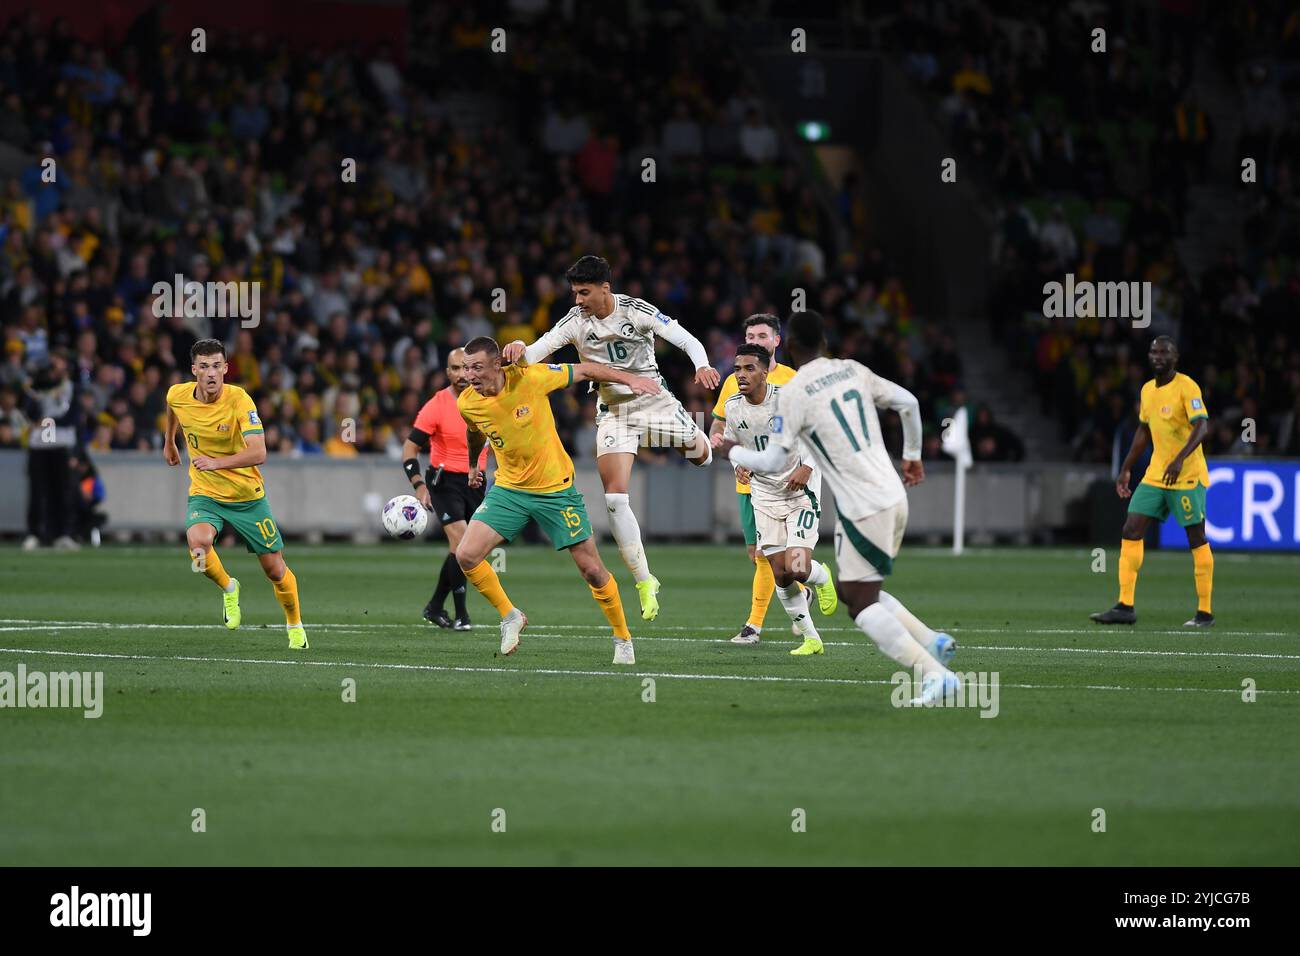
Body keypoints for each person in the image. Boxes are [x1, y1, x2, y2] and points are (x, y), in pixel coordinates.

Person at [719, 311, 958, 705]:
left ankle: (934, 675)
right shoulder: (853, 370)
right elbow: (909, 402)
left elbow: (776, 460)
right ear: (825, 342)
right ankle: (933, 641)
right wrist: (912, 456)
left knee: (859, 604)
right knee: (856, 590)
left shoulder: (794, 393)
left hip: (863, 504)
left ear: (788, 346)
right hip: (893, 492)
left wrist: (734, 451)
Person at [501, 255, 721, 622]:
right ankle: (645, 580)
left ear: (606, 288)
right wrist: (518, 349)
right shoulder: (575, 322)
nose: (577, 300)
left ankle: (698, 436)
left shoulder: (636, 311)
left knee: (704, 457)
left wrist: (702, 364)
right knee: (616, 498)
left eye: (583, 292)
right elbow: (536, 352)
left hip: (655, 402)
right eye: (574, 293)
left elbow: (686, 339)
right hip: (613, 412)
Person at [453, 336, 660, 664]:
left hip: (556, 491)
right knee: (465, 555)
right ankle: (510, 616)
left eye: (477, 367)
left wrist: (631, 379)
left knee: (591, 570)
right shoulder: (467, 402)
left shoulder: (530, 378)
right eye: (466, 368)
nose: (469, 375)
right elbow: (475, 431)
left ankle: (623, 639)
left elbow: (586, 369)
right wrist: (472, 464)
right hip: (509, 490)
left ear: (497, 365)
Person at [164, 338, 308, 649]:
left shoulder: (240, 400)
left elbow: (259, 452)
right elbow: (173, 408)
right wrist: (170, 442)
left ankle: (294, 624)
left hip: (247, 496)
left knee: (275, 569)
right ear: (194, 371)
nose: (211, 373)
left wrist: (215, 463)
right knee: (198, 547)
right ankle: (229, 588)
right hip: (205, 492)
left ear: (226, 368)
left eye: (217, 366)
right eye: (204, 367)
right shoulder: (178, 394)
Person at [712, 344, 837, 653]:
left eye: (749, 368)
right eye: (737, 369)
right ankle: (811, 638)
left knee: (797, 567)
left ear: (765, 372)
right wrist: (738, 464)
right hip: (764, 495)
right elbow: (730, 444)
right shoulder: (733, 406)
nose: (741, 374)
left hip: (798, 490)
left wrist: (807, 467)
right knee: (779, 573)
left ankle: (822, 578)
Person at [1091, 336, 1214, 627]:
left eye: (1165, 352)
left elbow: (1202, 425)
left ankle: (1205, 612)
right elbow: (1143, 432)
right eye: (1154, 352)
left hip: (1186, 476)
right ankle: (1125, 605)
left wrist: (1180, 458)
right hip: (1156, 474)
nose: (1158, 356)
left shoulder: (1187, 386)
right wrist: (1126, 468)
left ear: (1175, 357)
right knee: (1131, 528)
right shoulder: (1147, 390)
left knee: (1196, 538)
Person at [708, 314, 801, 642]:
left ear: (777, 341)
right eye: (751, 335)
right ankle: (802, 591)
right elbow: (719, 423)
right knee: (758, 554)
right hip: (749, 481)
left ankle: (754, 626)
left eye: (763, 335)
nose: (757, 340)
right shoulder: (735, 380)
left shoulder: (792, 379)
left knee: (779, 554)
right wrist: (722, 448)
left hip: (789, 483)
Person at [401, 347, 490, 630]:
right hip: (443, 482)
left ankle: (435, 606)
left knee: (465, 549)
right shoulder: (436, 405)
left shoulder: (489, 399)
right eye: (455, 369)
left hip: (475, 482)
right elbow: (410, 448)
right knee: (463, 544)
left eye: (466, 368)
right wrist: (418, 485)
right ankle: (462, 614)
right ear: (447, 373)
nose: (462, 374)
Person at [21, 350, 81, 551]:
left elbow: (72, 417)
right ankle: (35, 533)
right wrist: (35, 389)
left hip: (62, 444)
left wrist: (48, 422)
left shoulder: (71, 388)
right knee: (38, 491)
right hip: (39, 445)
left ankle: (63, 533)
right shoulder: (36, 388)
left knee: (63, 491)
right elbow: (30, 412)